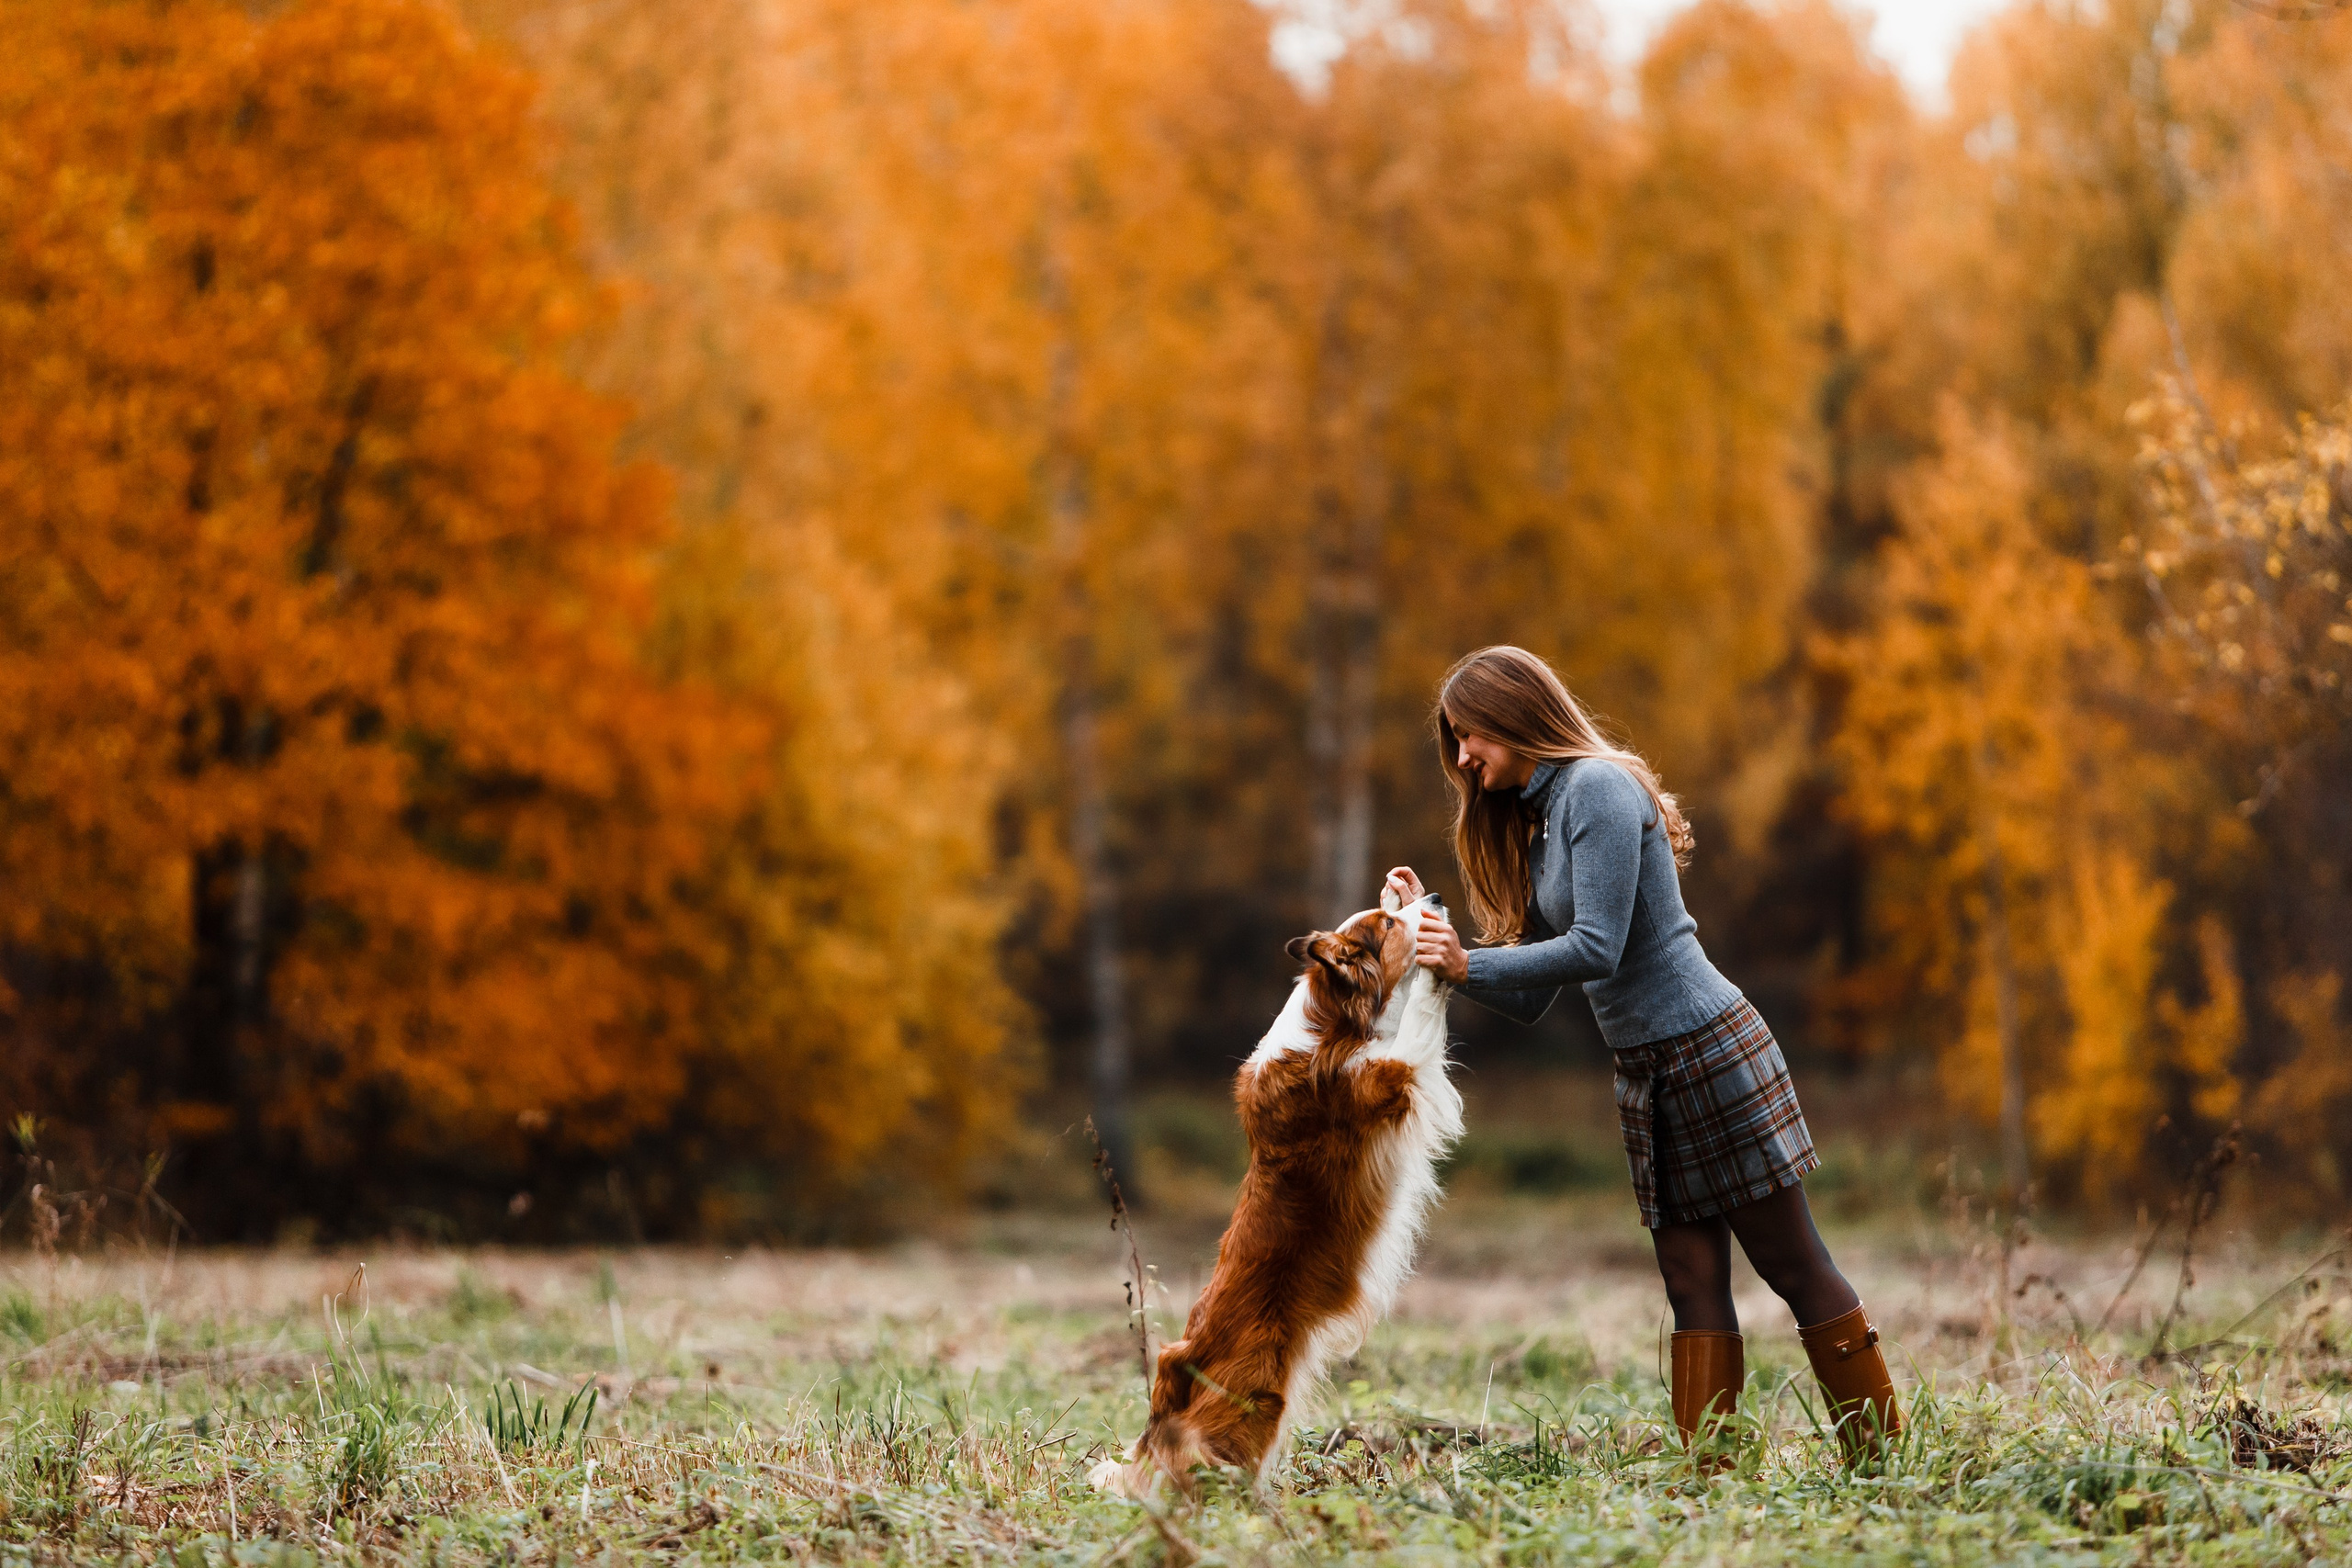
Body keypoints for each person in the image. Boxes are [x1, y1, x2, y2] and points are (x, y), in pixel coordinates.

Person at [1384, 645, 1900, 1466]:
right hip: (1647, 1071)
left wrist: (1466, 961)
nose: (1462, 756)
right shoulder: (1543, 817)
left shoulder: (1595, 788)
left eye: (1469, 733)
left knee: (1794, 1265)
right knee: (1691, 1285)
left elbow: (1598, 945)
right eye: (1454, 740)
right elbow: (1528, 992)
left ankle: (1881, 1460)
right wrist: (1430, 930)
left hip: (1706, 1051)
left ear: (1515, 715)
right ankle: (1712, 1476)